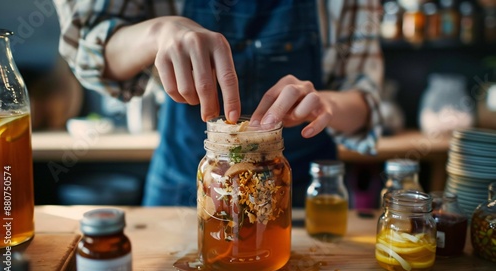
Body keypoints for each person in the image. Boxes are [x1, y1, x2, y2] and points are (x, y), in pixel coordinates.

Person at [52, 0, 383, 207]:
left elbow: (365, 101)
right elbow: (86, 48)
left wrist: (325, 105)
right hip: (183, 186)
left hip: (300, 189)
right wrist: (160, 33)